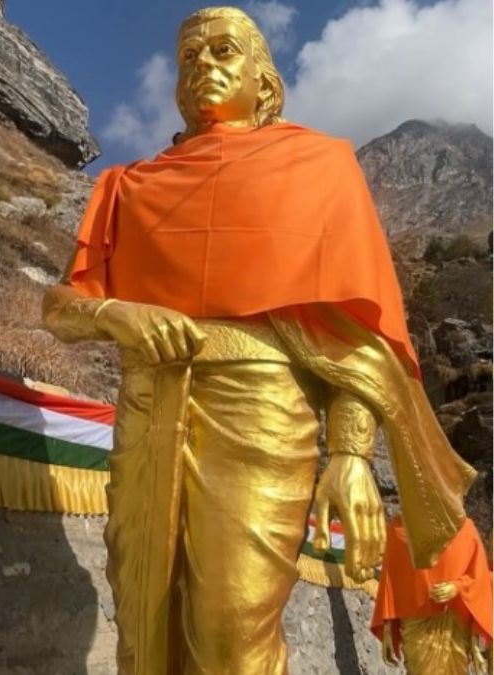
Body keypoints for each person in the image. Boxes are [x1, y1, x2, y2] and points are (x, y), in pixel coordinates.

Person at [41, 7, 475, 673]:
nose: (203, 66)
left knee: (231, 636)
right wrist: (118, 316)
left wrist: (350, 454)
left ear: (263, 79)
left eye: (223, 51)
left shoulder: (319, 166)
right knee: (143, 625)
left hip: (262, 408)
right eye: (189, 58)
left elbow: (357, 335)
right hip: (147, 408)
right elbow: (61, 306)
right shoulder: (128, 186)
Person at [372, 516, 493, 674]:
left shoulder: (464, 528)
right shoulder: (399, 528)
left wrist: (456, 587)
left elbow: (478, 577)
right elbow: (390, 579)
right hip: (417, 625)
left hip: (453, 624)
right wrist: (387, 627)